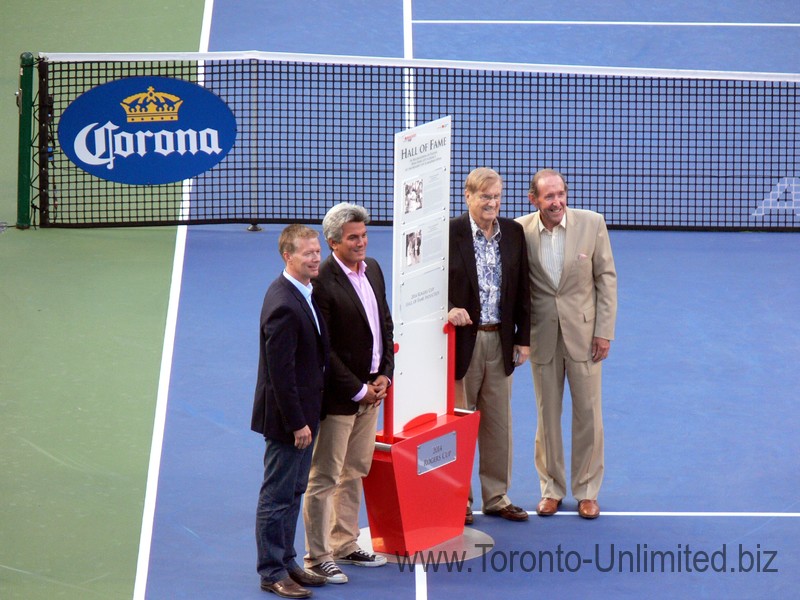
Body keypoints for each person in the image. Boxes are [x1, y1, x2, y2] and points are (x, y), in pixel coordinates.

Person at [516, 169, 618, 520]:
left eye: (560, 194)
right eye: (549, 196)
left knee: (589, 415)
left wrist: (604, 331)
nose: (557, 201)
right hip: (541, 339)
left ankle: (587, 491)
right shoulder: (520, 231)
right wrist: (519, 337)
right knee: (548, 418)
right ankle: (552, 489)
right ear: (534, 200)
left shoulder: (592, 224)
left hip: (586, 337)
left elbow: (606, 280)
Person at [303, 203, 394, 583]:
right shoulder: (322, 282)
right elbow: (326, 351)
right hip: (341, 398)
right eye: (353, 237)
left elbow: (384, 325)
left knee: (354, 470)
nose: (361, 243)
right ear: (333, 241)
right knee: (325, 476)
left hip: (371, 391)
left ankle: (345, 543)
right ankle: (316, 556)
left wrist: (385, 375)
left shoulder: (372, 269)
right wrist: (358, 389)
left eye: (364, 235)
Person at [448, 167, 531, 524]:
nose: (492, 203)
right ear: (468, 197)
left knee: (498, 424)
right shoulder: (449, 233)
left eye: (496, 196)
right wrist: (447, 310)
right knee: (459, 424)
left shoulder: (513, 233)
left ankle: (496, 496)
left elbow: (524, 289)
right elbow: (430, 286)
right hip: (461, 343)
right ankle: (459, 500)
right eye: (485, 196)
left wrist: (523, 339)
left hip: (500, 341)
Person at [251, 224, 330, 599]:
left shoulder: (306, 292)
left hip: (305, 414)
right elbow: (280, 375)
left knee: (296, 490)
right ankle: (271, 571)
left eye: (317, 251)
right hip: (289, 420)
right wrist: (298, 422)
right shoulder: (283, 303)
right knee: (277, 495)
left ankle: (287, 560)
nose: (316, 258)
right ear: (288, 256)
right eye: (308, 253)